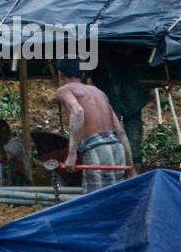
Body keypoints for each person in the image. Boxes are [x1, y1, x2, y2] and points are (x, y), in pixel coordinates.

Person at [54, 59, 134, 192]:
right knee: (114, 197)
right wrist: (131, 168)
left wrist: (72, 154)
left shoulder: (64, 90)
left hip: (97, 150)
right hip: (117, 148)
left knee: (95, 201)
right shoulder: (98, 92)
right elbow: (120, 131)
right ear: (83, 74)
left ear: (60, 75)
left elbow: (78, 111)